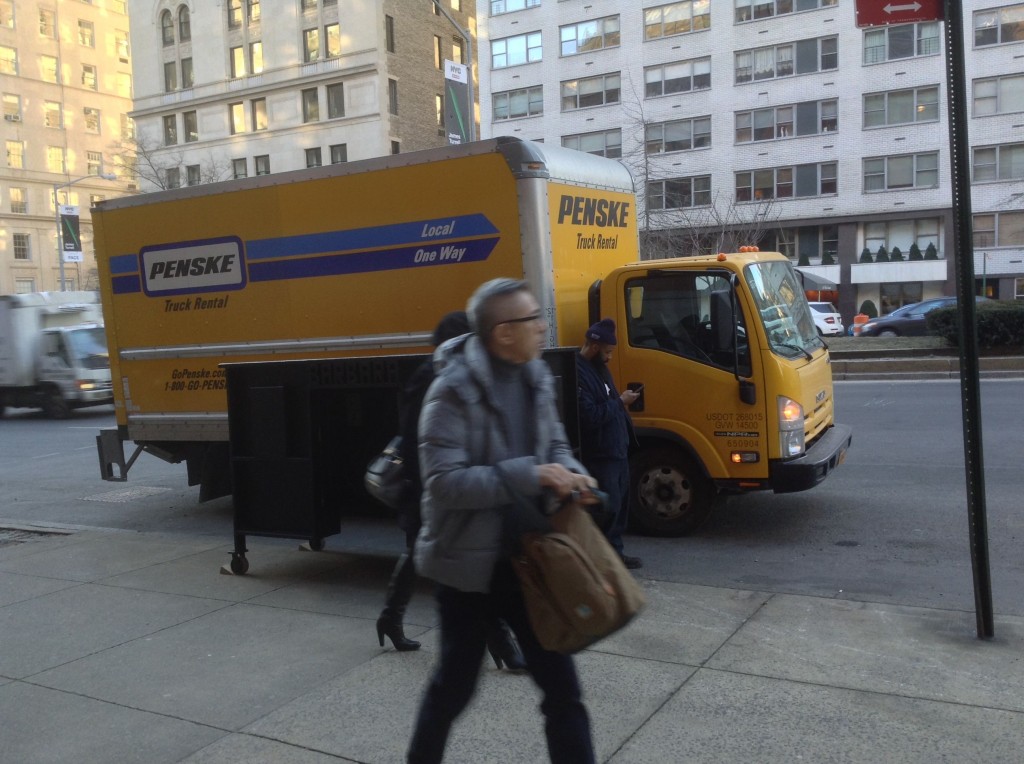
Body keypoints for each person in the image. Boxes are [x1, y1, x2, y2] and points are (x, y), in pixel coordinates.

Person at [407, 278, 598, 764]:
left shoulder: (536, 377)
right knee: (453, 690)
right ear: (503, 332)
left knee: (563, 692)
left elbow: (555, 445)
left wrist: (572, 475)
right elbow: (444, 483)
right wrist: (532, 474)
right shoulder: (451, 391)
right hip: (467, 569)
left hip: (528, 562)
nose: (542, 327)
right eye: (533, 319)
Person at [376, 311, 526, 672]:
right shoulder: (434, 378)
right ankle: (501, 644)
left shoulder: (443, 373)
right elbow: (422, 441)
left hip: (437, 487)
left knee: (424, 554)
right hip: (433, 489)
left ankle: (390, 618)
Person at [576, 318, 643, 570]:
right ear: (594, 347)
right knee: (608, 508)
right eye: (607, 352)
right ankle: (603, 559)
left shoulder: (599, 368)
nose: (610, 357)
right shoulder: (579, 373)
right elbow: (590, 416)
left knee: (619, 506)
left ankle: (615, 554)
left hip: (616, 450)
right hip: (602, 454)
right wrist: (621, 402)